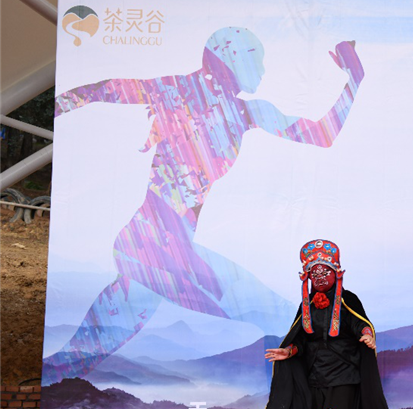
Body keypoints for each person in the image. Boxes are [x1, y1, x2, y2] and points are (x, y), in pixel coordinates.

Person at [43, 28, 364, 385]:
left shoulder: (244, 111)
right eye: (256, 58)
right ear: (231, 57)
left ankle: (49, 383)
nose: (262, 69)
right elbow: (101, 90)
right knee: (274, 311)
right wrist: (56, 113)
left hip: (155, 249)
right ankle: (313, 392)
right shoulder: (178, 90)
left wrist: (354, 80)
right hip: (162, 249)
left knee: (87, 349)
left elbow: (322, 134)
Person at [248, 239, 407, 409]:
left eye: (325, 272)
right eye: (315, 273)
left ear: (336, 273)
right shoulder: (307, 305)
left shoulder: (348, 300)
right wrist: (288, 351)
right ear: (307, 277)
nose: (320, 277)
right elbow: (302, 340)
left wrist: (367, 335)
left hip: (343, 374)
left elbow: (360, 324)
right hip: (315, 376)